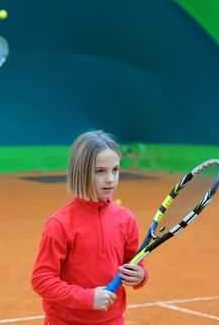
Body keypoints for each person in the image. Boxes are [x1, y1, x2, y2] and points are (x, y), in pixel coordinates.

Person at [31, 130, 149, 324]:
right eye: (100, 171)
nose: (110, 179)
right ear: (81, 172)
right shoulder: (60, 224)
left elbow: (133, 263)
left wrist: (141, 276)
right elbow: (42, 280)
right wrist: (87, 298)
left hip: (112, 320)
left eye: (115, 170)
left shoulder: (126, 219)